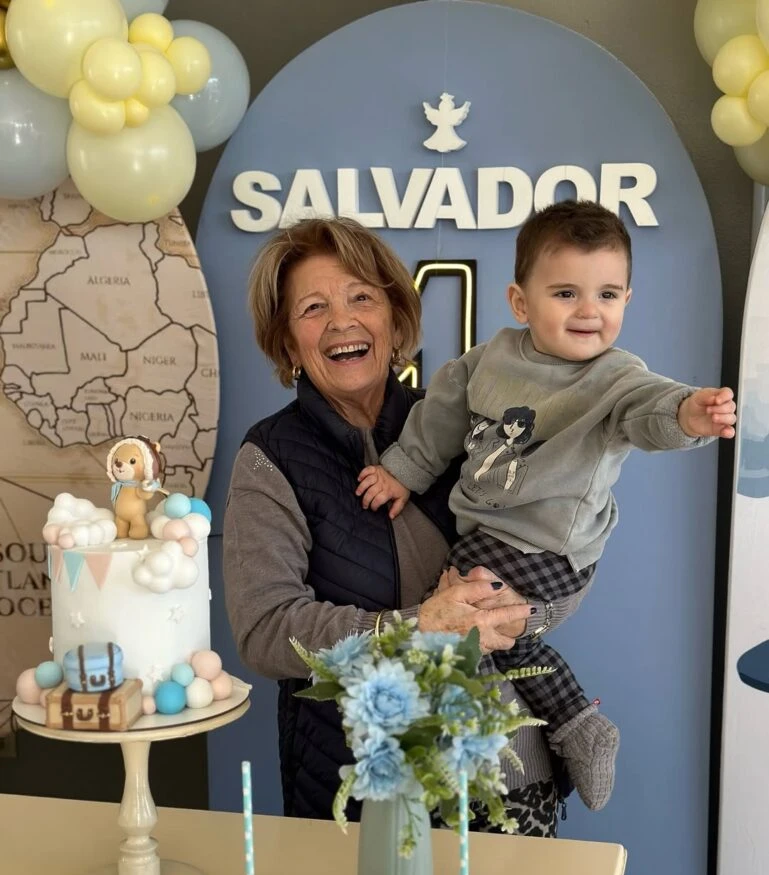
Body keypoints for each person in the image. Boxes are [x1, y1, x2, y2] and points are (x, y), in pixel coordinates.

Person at [357, 199, 736, 812]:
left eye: (607, 295)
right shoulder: (489, 360)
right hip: (486, 534)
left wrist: (689, 414)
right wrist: (402, 470)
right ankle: (576, 729)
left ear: (627, 300)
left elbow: (651, 408)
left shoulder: (616, 377)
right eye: (565, 293)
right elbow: (440, 417)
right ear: (520, 302)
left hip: (548, 544)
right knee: (499, 636)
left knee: (459, 624)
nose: (589, 311)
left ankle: (524, 747)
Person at [223, 216, 586, 837]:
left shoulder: (467, 427)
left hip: (504, 774)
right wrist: (415, 629)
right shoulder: (270, 458)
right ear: (287, 343)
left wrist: (523, 615)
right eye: (313, 308)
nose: (341, 321)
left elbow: (559, 547)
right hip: (359, 782)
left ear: (395, 321)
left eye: (361, 298)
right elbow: (266, 630)